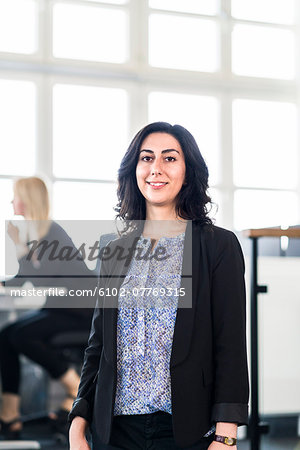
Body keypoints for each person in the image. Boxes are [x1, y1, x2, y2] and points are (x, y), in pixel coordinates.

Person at [68, 122, 249, 449]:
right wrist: (78, 419)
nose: (156, 169)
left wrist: (226, 434)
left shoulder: (217, 245)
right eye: (146, 158)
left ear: (187, 169)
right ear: (133, 170)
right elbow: (98, 347)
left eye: (169, 158)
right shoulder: (113, 249)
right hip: (114, 430)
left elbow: (231, 343)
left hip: (187, 429)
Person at [0, 177, 95, 439]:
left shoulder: (52, 232)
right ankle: (10, 415)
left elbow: (41, 279)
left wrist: (18, 245)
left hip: (81, 312)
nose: (11, 201)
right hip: (60, 308)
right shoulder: (36, 232)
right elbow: (26, 277)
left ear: (28, 199)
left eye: (15, 196)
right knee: (6, 336)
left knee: (20, 335)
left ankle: (75, 388)